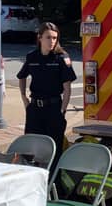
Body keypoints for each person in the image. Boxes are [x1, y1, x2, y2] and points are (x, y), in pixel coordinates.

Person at [18, 22, 76, 166]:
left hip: (54, 108)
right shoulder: (32, 57)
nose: (52, 41)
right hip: (35, 109)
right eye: (48, 37)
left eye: (55, 38)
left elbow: (67, 87)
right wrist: (25, 99)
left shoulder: (61, 57)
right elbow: (22, 76)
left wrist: (63, 109)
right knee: (31, 149)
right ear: (40, 38)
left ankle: (53, 182)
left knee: (53, 150)